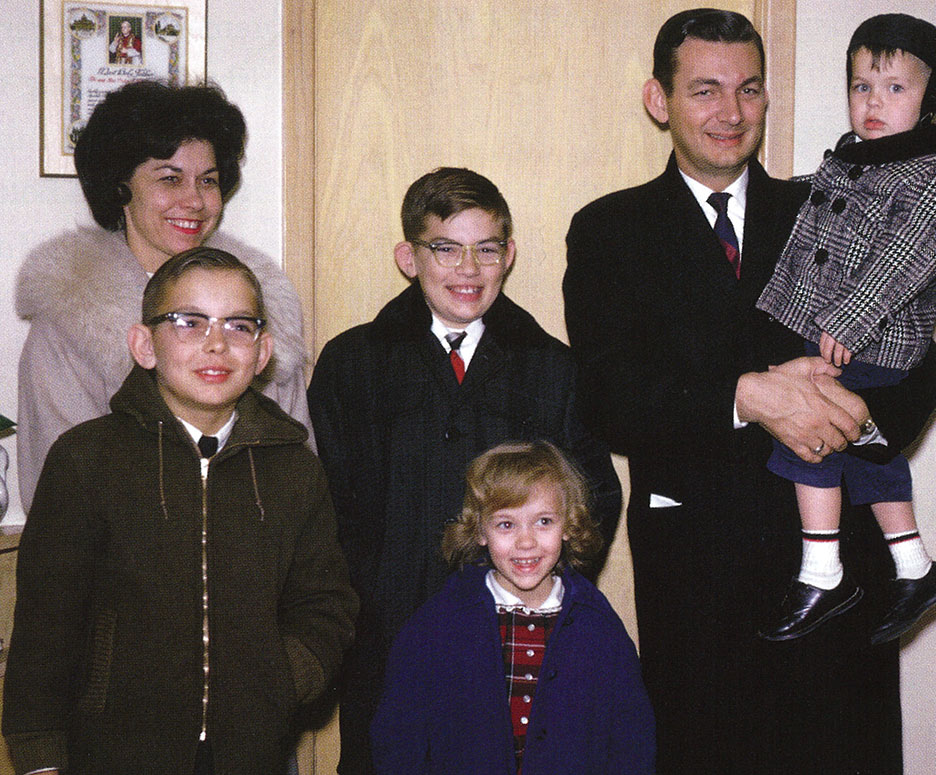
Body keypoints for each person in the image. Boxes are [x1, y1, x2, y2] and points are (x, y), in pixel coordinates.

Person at [563, 9, 936, 774]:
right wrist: (749, 396)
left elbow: (917, 367)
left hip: (838, 574)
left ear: (768, 96)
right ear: (659, 100)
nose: (730, 112)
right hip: (698, 581)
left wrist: (848, 417)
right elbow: (609, 396)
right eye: (704, 90)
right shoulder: (610, 229)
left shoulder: (835, 207)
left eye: (748, 89)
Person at [307, 167, 621, 774]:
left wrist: (537, 593)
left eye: (487, 249)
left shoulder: (552, 368)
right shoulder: (352, 363)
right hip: (385, 635)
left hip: (516, 642)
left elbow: (594, 497)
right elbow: (327, 504)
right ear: (409, 257)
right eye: (446, 249)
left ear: (510, 256)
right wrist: (363, 606)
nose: (468, 269)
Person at [2, 247, 358, 775]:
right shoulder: (86, 459)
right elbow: (45, 624)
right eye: (189, 322)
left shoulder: (294, 468)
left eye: (239, 326)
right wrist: (39, 755)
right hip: (113, 752)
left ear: (262, 352)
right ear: (144, 345)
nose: (216, 343)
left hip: (253, 751)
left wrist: (284, 679)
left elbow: (325, 602)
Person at [756, 14, 936, 643]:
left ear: (930, 99)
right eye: (861, 87)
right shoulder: (858, 158)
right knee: (867, 448)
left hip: (872, 341)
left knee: (812, 434)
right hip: (836, 332)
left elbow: (903, 259)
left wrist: (849, 319)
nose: (873, 103)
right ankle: (914, 567)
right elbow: (819, 200)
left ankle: (822, 573)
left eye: (895, 88)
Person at [16, 80, 312, 512]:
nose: (194, 200)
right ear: (121, 188)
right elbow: (60, 495)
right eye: (170, 179)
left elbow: (299, 476)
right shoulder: (69, 323)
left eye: (207, 181)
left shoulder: (262, 307)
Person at [371, 441, 654, 774]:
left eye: (543, 521)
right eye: (506, 524)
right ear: (480, 530)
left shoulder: (598, 626)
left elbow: (632, 742)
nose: (526, 542)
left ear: (568, 525)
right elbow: (398, 739)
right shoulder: (437, 625)